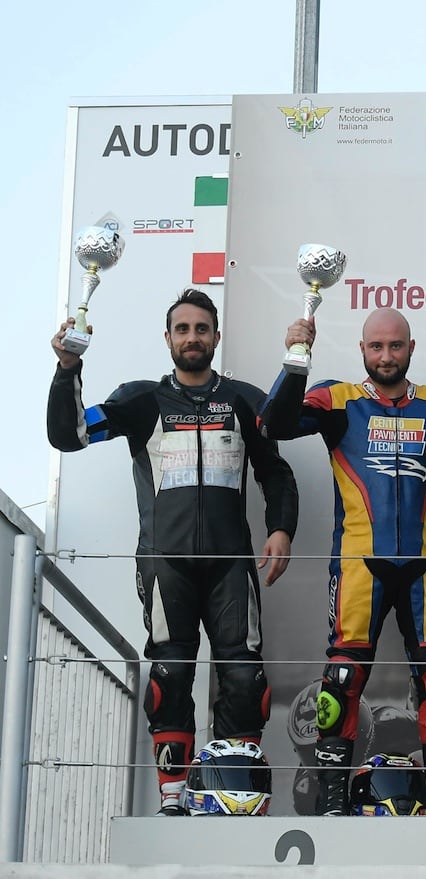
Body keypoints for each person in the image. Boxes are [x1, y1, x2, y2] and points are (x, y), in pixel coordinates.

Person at [47, 288, 299, 816]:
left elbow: (275, 472)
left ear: (216, 337)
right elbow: (69, 436)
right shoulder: (141, 400)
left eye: (201, 329)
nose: (192, 337)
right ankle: (172, 797)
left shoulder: (244, 400)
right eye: (182, 329)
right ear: (167, 339)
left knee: (245, 678)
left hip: (231, 564)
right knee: (170, 675)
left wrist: (281, 530)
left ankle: (235, 792)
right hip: (166, 564)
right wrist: (68, 369)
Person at [262, 307, 426, 816]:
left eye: (395, 346)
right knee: (341, 682)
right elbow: (272, 423)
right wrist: (295, 358)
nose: (386, 356)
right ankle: (331, 803)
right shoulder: (337, 398)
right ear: (362, 350)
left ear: (412, 349)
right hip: (358, 563)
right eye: (376, 346)